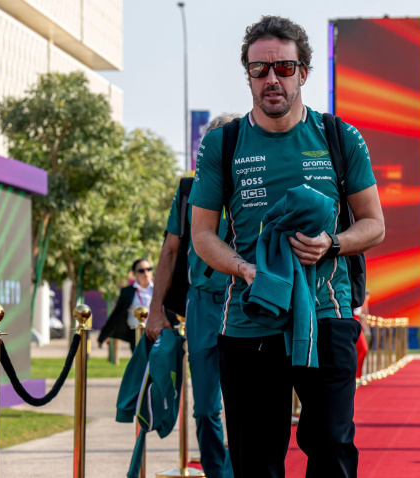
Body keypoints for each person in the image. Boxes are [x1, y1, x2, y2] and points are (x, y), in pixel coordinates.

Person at [189, 15, 385, 478]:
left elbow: (374, 224)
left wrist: (332, 244)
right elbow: (201, 235)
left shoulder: (340, 136)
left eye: (282, 68)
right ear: (248, 75)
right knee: (256, 460)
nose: (270, 79)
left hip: (326, 314)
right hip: (250, 318)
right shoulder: (223, 143)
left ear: (303, 72)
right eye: (259, 70)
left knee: (333, 447)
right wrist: (244, 270)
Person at [145, 113, 240, 478]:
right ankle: (218, 471)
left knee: (244, 403)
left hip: (245, 304)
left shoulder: (254, 185)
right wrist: (156, 310)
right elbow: (170, 251)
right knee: (205, 409)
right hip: (201, 305)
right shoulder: (189, 190)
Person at [98, 259, 153, 351]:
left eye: (148, 269)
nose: (145, 273)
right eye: (141, 270)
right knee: (139, 363)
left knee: (155, 362)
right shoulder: (127, 292)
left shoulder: (158, 290)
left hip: (155, 333)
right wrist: (103, 336)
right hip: (135, 334)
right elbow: (116, 314)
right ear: (134, 274)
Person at [353, 290, 371, 378]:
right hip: (352, 321)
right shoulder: (355, 295)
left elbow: (364, 315)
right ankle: (355, 375)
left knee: (362, 350)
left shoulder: (362, 301)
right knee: (362, 349)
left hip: (357, 323)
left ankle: (357, 375)